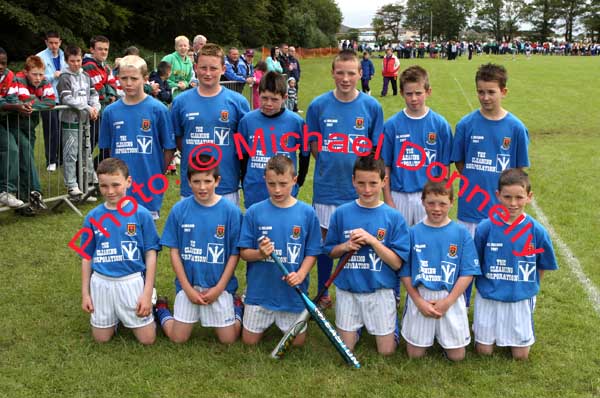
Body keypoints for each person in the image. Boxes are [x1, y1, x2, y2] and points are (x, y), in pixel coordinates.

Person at [306, 49, 384, 309]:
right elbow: (314, 143)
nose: (346, 78)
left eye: (351, 73)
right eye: (340, 72)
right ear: (333, 73)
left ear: (361, 73)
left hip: (359, 191)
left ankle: (355, 290)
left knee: (359, 242)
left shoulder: (372, 106)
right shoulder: (318, 105)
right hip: (328, 187)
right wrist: (330, 160)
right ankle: (323, 291)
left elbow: (376, 148)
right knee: (328, 242)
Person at [323, 154, 409, 355]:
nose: (367, 189)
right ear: (353, 180)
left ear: (384, 181)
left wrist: (372, 241)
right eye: (361, 183)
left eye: (373, 183)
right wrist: (345, 246)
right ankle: (357, 327)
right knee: (345, 348)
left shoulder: (394, 217)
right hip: (348, 290)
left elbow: (397, 264)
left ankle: (390, 326)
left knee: (386, 352)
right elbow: (330, 252)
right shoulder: (342, 213)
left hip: (379, 290)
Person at [155, 155, 243, 344]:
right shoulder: (179, 210)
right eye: (196, 181)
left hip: (219, 287)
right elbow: (174, 251)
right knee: (178, 339)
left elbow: (235, 254)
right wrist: (187, 288)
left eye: (207, 181)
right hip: (189, 286)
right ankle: (161, 308)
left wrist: (219, 288)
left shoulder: (231, 212)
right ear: (188, 182)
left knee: (229, 340)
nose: (202, 187)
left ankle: (237, 306)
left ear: (217, 181)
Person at [473, 168, 558, 360]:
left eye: (519, 197)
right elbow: (475, 263)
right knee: (483, 351)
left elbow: (542, 265)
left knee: (520, 356)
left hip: (519, 297)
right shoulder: (485, 228)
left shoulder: (537, 231)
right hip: (489, 296)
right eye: (507, 197)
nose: (513, 203)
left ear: (529, 197)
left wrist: (528, 287)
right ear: (497, 196)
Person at [238, 155, 321, 346]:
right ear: (264, 180)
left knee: (297, 343)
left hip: (291, 294)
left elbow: (312, 251)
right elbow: (244, 253)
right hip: (260, 293)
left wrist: (300, 274)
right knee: (249, 342)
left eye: (283, 184)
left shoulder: (307, 213)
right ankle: (241, 304)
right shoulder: (254, 212)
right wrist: (259, 254)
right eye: (271, 183)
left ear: (294, 179)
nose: (277, 190)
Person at [80, 158, 160, 345]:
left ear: (128, 182)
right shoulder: (92, 217)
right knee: (101, 339)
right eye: (104, 186)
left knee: (147, 340)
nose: (110, 191)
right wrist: (86, 293)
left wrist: (147, 293)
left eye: (116, 185)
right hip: (101, 283)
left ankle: (158, 306)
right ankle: (115, 316)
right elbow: (86, 256)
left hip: (130, 281)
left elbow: (151, 254)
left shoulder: (141, 214)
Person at [399, 179, 480, 361]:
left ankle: (443, 339)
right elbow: (405, 272)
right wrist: (419, 301)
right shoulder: (413, 233)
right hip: (421, 295)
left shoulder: (461, 233)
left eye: (443, 203)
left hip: (449, 296)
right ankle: (427, 335)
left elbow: (468, 272)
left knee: (457, 357)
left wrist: (448, 301)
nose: (437, 208)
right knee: (415, 355)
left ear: (452, 202)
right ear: (423, 202)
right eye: (431, 203)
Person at [450, 63, 530, 237]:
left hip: (502, 212)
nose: (485, 97)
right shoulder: (465, 125)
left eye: (491, 92)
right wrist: (473, 180)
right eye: (481, 92)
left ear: (503, 92)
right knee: (469, 262)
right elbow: (459, 161)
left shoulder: (516, 128)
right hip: (471, 208)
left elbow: (518, 171)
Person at [170, 43, 250, 206]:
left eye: (213, 68)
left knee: (227, 231)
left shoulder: (238, 102)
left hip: (226, 186)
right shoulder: (180, 102)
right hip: (191, 186)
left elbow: (244, 145)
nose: (207, 73)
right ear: (195, 67)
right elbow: (179, 140)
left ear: (223, 69)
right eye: (203, 68)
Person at [99, 55, 176, 220]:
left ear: (145, 79)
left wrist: (157, 173)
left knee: (145, 237)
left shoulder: (158, 109)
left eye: (133, 78)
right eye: (123, 78)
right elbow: (105, 150)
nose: (128, 83)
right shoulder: (110, 112)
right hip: (118, 188)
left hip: (148, 185)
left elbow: (169, 147)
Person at [382, 65, 453, 227]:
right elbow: (385, 166)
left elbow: (445, 168)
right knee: (399, 245)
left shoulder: (440, 125)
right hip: (399, 195)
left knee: (427, 243)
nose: (414, 98)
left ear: (428, 92)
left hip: (429, 195)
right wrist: (388, 199)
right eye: (409, 94)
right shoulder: (392, 125)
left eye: (418, 93)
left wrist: (442, 198)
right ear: (401, 93)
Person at [238, 71, 309, 209]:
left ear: (284, 97)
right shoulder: (247, 121)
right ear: (258, 93)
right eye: (264, 98)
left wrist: (299, 181)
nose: (268, 103)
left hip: (285, 191)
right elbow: (242, 156)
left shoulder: (297, 122)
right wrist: (245, 181)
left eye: (274, 99)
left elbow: (305, 154)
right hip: (255, 190)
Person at [5, 55, 56, 214]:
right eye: (35, 74)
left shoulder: (45, 82)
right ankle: (35, 192)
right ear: (26, 72)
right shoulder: (17, 80)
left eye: (41, 74)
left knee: (26, 162)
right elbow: (14, 100)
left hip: (30, 127)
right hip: (14, 125)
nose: (38, 78)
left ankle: (24, 204)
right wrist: (24, 104)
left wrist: (30, 103)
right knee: (25, 157)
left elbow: (51, 102)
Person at [57, 45, 100, 198]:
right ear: (67, 61)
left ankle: (87, 186)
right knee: (71, 153)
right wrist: (86, 107)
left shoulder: (86, 76)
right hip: (70, 121)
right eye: (72, 61)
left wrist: (95, 107)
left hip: (85, 122)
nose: (76, 64)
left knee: (86, 152)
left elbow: (94, 94)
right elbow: (67, 98)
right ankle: (71, 185)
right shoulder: (64, 77)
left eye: (78, 60)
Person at [82, 35, 118, 168]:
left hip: (104, 110)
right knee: (90, 143)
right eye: (100, 49)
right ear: (92, 50)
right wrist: (109, 94)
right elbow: (98, 89)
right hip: (94, 111)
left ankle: (95, 168)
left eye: (106, 49)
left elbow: (113, 84)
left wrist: (109, 90)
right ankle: (82, 172)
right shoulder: (88, 65)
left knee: (106, 142)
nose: (104, 52)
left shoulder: (105, 66)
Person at [37, 31, 65, 172]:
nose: (54, 46)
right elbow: (37, 78)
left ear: (60, 42)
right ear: (46, 42)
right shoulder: (39, 57)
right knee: (50, 130)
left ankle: (61, 159)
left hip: (63, 97)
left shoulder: (64, 55)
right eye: (51, 43)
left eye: (56, 42)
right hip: (48, 98)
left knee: (61, 129)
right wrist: (52, 76)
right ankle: (51, 160)